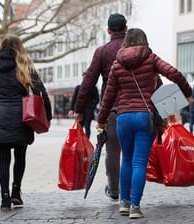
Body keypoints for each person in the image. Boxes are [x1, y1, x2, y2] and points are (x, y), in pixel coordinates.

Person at [96, 28, 193, 219]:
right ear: (144, 41)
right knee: (140, 162)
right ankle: (135, 206)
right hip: (144, 116)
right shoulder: (150, 57)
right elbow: (173, 72)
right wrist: (187, 92)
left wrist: (101, 120)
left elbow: (108, 95)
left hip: (123, 117)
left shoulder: (117, 63)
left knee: (127, 160)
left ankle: (123, 203)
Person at [0, 34, 52, 211]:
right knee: (20, 156)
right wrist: (48, 117)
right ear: (19, 47)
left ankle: (5, 200)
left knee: (4, 159)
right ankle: (16, 193)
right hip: (23, 118)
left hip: (1, 117)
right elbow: (41, 93)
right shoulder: (25, 66)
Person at [74, 13, 127, 201]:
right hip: (137, 108)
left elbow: (88, 82)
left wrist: (78, 109)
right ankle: (132, 194)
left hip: (112, 109)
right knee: (134, 153)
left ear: (109, 30)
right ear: (126, 28)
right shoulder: (139, 50)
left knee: (113, 151)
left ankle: (114, 190)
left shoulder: (102, 51)